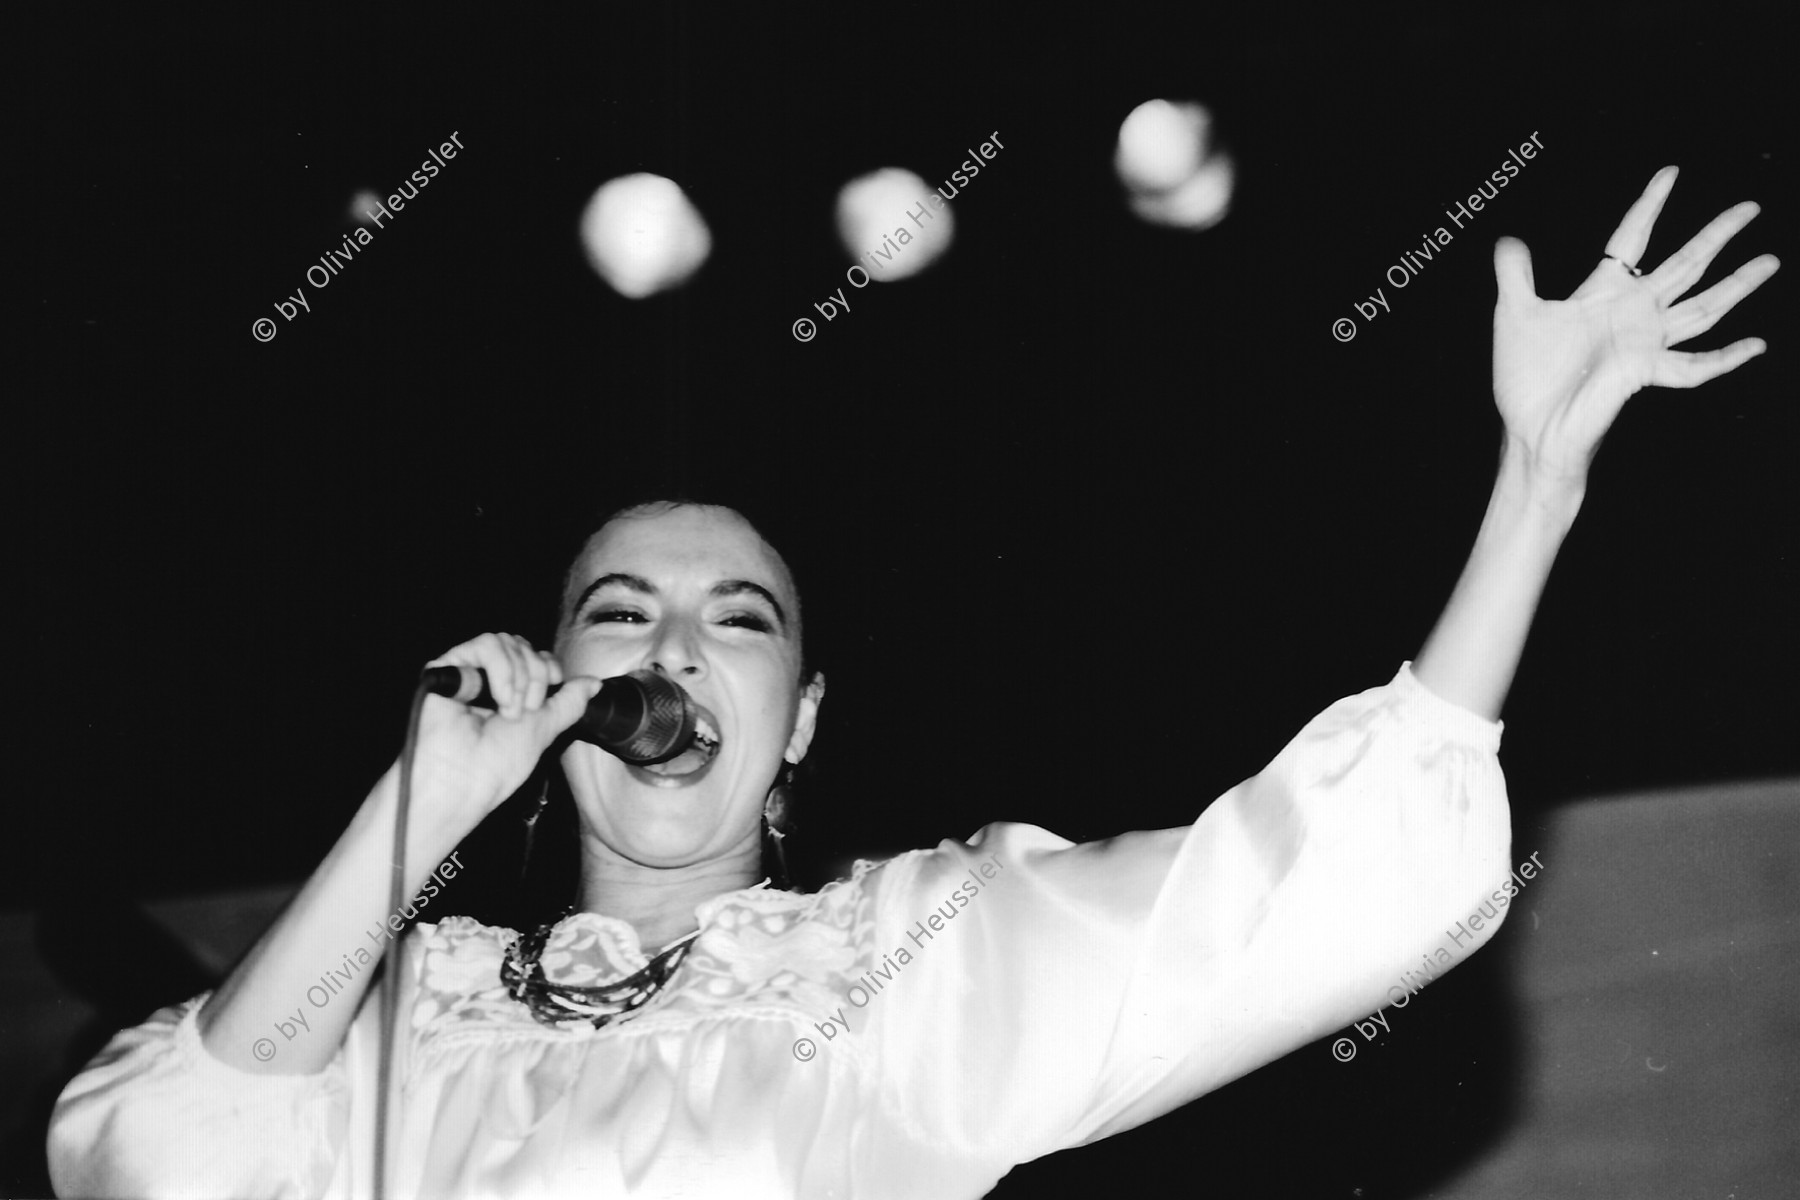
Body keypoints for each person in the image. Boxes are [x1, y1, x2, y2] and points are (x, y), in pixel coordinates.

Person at [47, 168, 1776, 1199]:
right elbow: (166, 1160)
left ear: (796, 723)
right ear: (555, 682)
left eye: (736, 618)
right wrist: (414, 807)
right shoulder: (400, 1006)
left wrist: (1535, 481)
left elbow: (1322, 893)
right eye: (619, 611)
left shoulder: (906, 963)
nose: (667, 646)